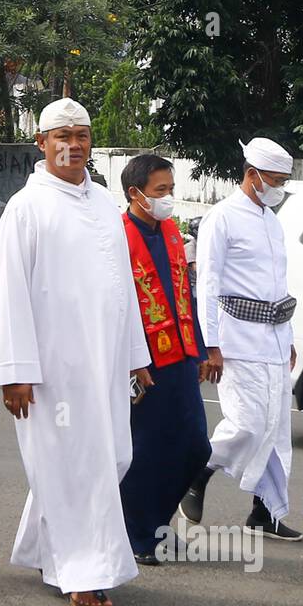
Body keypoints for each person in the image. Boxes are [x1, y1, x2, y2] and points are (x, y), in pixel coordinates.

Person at [0, 98, 152, 606]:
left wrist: (135, 354)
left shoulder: (107, 204)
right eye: (61, 135)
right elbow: (11, 294)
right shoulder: (27, 207)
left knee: (110, 457)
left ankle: (43, 546)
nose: (73, 144)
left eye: (81, 134)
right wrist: (15, 372)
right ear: (41, 143)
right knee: (75, 464)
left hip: (105, 363)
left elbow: (122, 285)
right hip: (52, 367)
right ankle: (84, 569)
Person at [180, 137, 303, 542]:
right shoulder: (223, 218)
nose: (279, 188)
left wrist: (288, 339)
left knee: (276, 429)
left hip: (273, 339)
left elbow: (278, 285)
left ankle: (264, 513)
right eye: (275, 180)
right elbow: (209, 284)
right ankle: (199, 472)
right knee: (248, 425)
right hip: (235, 339)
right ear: (252, 174)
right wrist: (210, 345)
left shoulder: (270, 219)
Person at [117, 155, 213, 564]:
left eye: (170, 190)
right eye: (161, 191)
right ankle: (140, 535)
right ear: (134, 194)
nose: (168, 198)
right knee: (146, 451)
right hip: (143, 362)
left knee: (195, 447)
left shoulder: (173, 232)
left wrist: (204, 349)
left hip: (182, 355)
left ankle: (154, 524)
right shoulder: (116, 236)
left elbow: (186, 294)